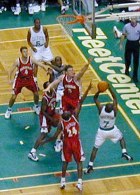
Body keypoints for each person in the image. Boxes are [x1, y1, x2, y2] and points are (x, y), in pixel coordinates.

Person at [41, 82, 92, 191]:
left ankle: (62, 181)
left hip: (67, 143)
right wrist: (88, 89)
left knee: (65, 162)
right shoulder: (75, 116)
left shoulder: (61, 124)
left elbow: (54, 137)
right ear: (68, 114)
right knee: (79, 162)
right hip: (75, 142)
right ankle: (79, 182)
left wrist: (45, 141)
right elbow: (81, 101)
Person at [84, 84, 133, 174]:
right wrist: (109, 88)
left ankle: (90, 165)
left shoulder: (101, 109)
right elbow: (115, 98)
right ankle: (124, 152)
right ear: (112, 108)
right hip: (112, 130)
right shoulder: (114, 112)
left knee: (95, 148)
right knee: (121, 138)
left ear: (105, 107)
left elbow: (95, 98)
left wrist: (99, 90)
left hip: (102, 131)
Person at [5, 46, 47, 119]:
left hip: (29, 79)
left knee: (36, 93)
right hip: (19, 80)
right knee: (14, 96)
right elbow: (10, 71)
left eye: (26, 51)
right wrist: (9, 79)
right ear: (21, 52)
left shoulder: (31, 59)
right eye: (24, 51)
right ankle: (9, 109)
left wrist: (45, 67)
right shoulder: (18, 61)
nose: (26, 53)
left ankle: (36, 106)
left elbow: (39, 64)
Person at [28, 81, 60, 161]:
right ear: (46, 89)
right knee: (44, 134)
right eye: (49, 86)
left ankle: (59, 140)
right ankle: (32, 152)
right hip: (45, 117)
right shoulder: (45, 98)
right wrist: (51, 119)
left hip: (52, 113)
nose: (51, 86)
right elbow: (43, 111)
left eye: (51, 85)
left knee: (61, 122)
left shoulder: (55, 93)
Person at [27, 18, 54, 83]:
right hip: (35, 48)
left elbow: (47, 36)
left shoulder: (44, 29)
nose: (38, 24)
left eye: (39, 23)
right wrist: (32, 47)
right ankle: (35, 79)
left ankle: (56, 73)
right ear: (34, 23)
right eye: (36, 23)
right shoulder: (30, 30)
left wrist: (47, 43)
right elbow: (28, 40)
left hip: (44, 47)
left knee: (52, 60)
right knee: (35, 64)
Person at [120, 17, 140, 82]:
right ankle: (127, 70)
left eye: (134, 19)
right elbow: (123, 35)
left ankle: (135, 75)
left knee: (136, 61)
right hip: (129, 43)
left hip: (136, 44)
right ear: (130, 20)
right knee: (127, 59)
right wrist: (121, 44)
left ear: (136, 20)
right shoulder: (126, 26)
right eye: (132, 19)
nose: (133, 21)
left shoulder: (139, 26)